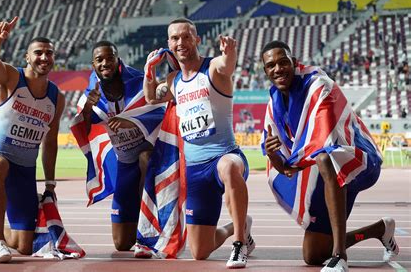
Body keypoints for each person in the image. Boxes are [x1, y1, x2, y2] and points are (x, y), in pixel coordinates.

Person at [260, 40, 399, 272]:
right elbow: (284, 166)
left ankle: (339, 256)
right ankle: (380, 229)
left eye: (283, 62)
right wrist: (273, 153)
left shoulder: (318, 85)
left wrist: (292, 161)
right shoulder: (274, 102)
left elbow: (322, 142)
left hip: (358, 159)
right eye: (271, 65)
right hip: (328, 176)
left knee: (326, 157)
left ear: (294, 63)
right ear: (265, 71)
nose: (278, 69)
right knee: (313, 255)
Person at [143, 18, 255, 268]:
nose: (180, 42)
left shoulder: (212, 68)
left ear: (197, 39)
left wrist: (230, 52)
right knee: (199, 252)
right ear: (169, 44)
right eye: (175, 38)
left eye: (186, 36)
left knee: (228, 167)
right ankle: (240, 227)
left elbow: (226, 65)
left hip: (224, 155)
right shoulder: (173, 80)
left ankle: (239, 246)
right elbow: (151, 97)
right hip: (194, 170)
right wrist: (148, 71)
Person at [0, 16, 65, 263]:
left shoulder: (56, 97)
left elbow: (50, 142)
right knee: (0, 165)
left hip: (24, 171)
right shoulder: (11, 77)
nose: (44, 57)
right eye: (38, 53)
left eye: (49, 53)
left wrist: (50, 184)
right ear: (27, 58)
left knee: (25, 246)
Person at [78, 40, 165, 251]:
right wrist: (89, 106)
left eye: (110, 58)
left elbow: (160, 112)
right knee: (121, 244)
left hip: (149, 156)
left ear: (118, 60)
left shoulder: (138, 80)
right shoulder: (92, 92)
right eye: (99, 60)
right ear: (93, 64)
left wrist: (131, 121)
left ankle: (150, 225)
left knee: (145, 157)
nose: (105, 63)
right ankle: (139, 224)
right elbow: (84, 128)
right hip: (124, 162)